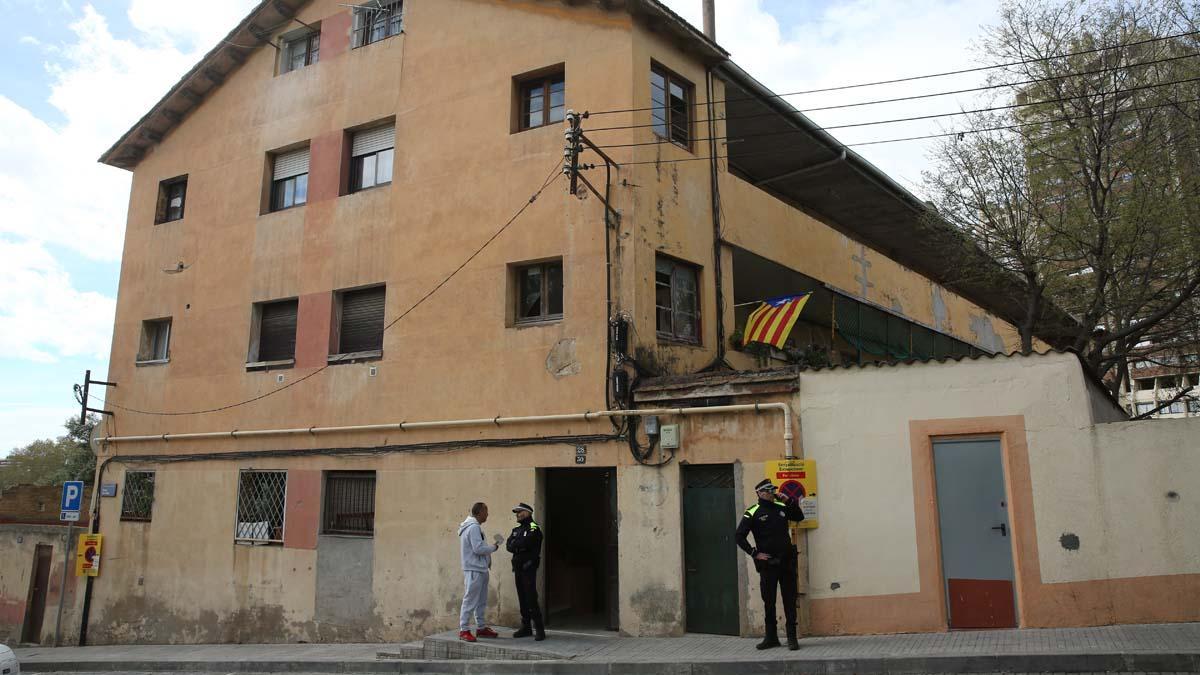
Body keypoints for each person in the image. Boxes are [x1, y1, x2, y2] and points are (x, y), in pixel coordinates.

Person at [735, 478, 805, 650]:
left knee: (789, 599)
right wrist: (754, 553)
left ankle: (791, 637)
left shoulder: (781, 507)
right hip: (768, 565)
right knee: (769, 601)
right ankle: (771, 637)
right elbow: (739, 536)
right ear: (759, 493)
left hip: (786, 562)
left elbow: (799, 516)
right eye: (768, 490)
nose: (772, 493)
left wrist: (788, 500)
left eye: (773, 490)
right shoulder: (753, 511)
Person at [458, 502, 501, 642]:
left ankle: (481, 627)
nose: (487, 514)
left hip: (480, 569)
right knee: (470, 600)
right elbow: (478, 549)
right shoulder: (474, 527)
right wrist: (494, 547)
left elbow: (478, 547)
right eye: (486, 511)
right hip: (474, 569)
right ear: (480, 512)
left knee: (481, 601)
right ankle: (464, 630)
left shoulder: (474, 527)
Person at [505, 502, 546, 641]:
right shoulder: (516, 529)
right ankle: (526, 627)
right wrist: (518, 546)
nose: (517, 514)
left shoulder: (534, 528)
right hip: (517, 568)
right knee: (522, 597)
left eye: (520, 512)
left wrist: (517, 545)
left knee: (531, 598)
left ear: (528, 512)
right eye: (516, 512)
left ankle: (539, 629)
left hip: (528, 568)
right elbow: (508, 545)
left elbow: (526, 543)